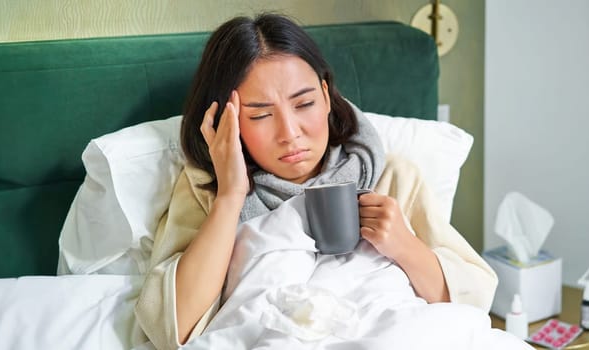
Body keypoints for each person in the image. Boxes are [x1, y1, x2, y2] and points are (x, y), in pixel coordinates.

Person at [133, 13, 497, 349]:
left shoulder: (393, 176)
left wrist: (404, 245)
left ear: (325, 96)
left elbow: (472, 299)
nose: (290, 134)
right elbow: (172, 328)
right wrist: (230, 196)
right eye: (260, 115)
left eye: (304, 104)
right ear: (227, 123)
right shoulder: (206, 190)